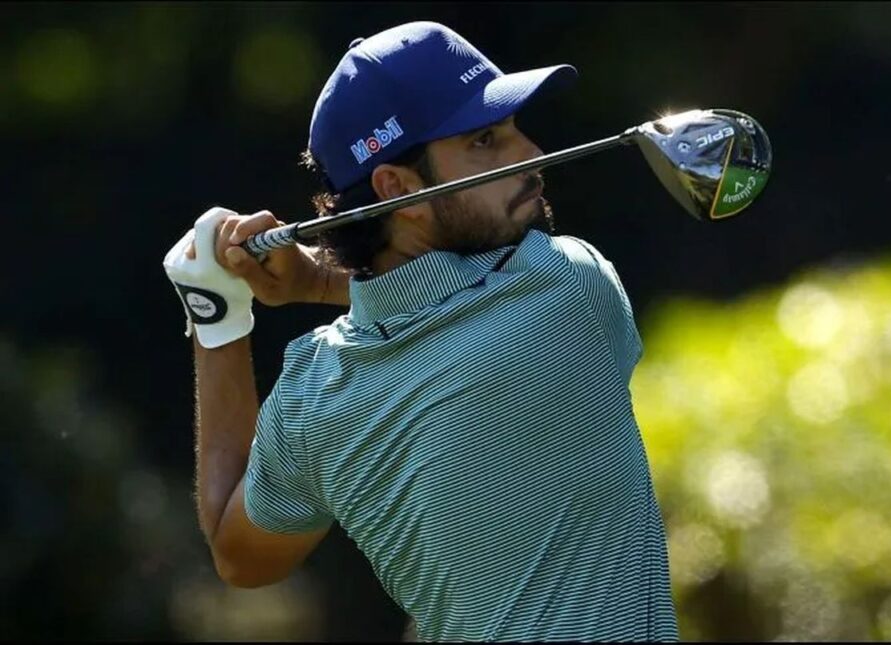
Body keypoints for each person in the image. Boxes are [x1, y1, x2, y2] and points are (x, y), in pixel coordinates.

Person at [163, 21, 679, 642]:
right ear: (398, 189)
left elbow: (239, 555)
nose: (532, 156)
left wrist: (216, 316)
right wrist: (313, 282)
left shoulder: (314, 398)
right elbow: (458, 301)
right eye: (487, 141)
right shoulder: (568, 289)